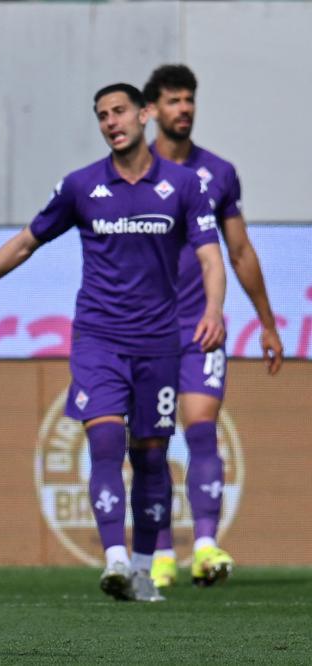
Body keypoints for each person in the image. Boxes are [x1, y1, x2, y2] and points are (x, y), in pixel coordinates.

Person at [0, 83, 227, 602]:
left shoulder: (183, 185)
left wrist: (214, 310)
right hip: (98, 339)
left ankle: (142, 570)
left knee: (151, 456)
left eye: (119, 111)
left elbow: (210, 256)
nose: (111, 121)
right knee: (105, 441)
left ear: (144, 114)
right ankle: (115, 559)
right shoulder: (81, 186)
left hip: (160, 343)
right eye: (102, 115)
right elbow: (26, 242)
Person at [143, 64, 283, 589]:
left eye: (189, 100)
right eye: (173, 100)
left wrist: (266, 322)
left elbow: (240, 250)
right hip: (146, 330)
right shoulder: (132, 171)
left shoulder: (219, 173)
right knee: (152, 441)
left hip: (202, 325)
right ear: (151, 110)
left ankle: (204, 547)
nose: (184, 109)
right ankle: (160, 554)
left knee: (201, 428)